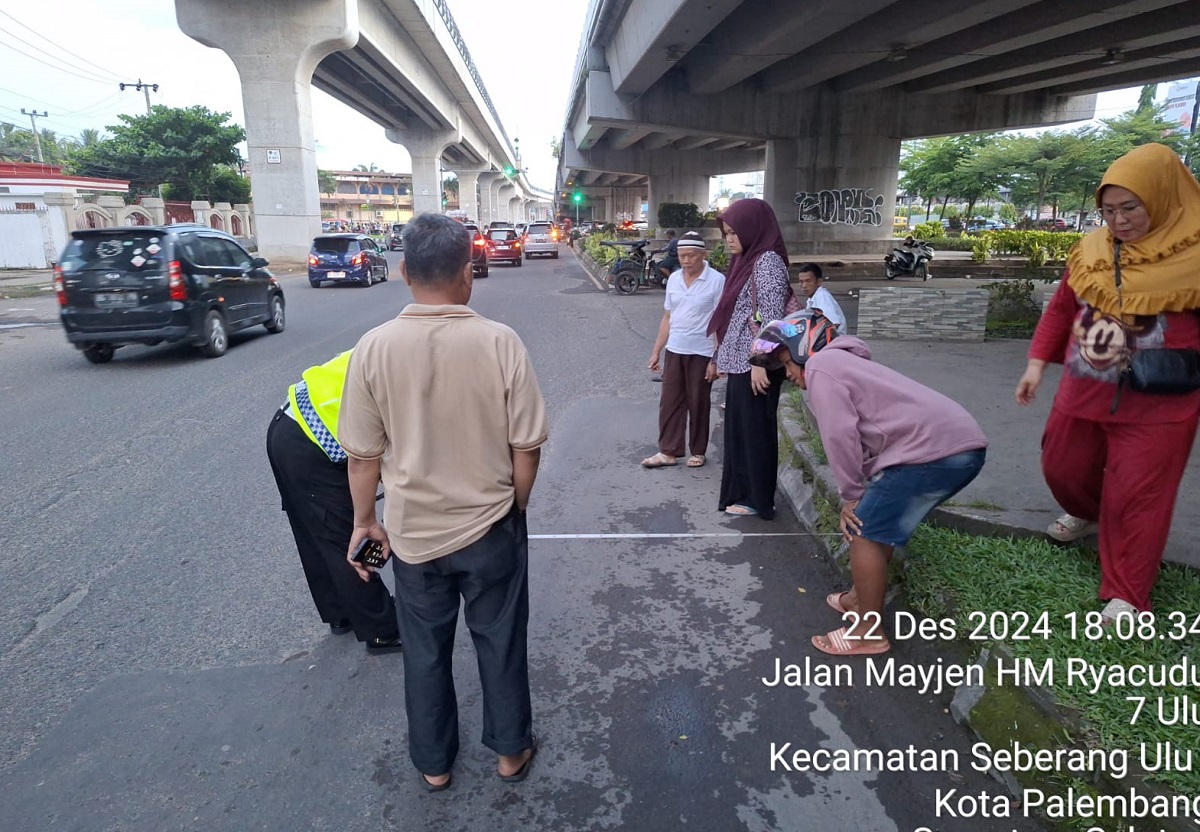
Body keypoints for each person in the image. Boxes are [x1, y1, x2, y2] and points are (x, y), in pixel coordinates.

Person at [338, 213, 548, 792]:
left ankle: (434, 765)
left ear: (404, 271)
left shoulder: (372, 348)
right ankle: (510, 752)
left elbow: (362, 457)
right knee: (500, 641)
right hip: (490, 529)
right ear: (468, 271)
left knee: (425, 652)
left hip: (412, 538)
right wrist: (515, 508)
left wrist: (365, 522)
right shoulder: (500, 342)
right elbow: (526, 448)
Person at [1015, 142, 1200, 623]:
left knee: (1139, 494)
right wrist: (1037, 363)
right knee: (1063, 466)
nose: (1119, 220)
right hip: (1085, 387)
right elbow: (1062, 309)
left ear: (1161, 199)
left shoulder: (1196, 252)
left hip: (1159, 402)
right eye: (1109, 210)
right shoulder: (1091, 249)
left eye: (1130, 208)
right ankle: (1090, 512)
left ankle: (1126, 594)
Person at [750, 312, 987, 656]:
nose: (787, 375)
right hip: (954, 446)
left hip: (935, 452)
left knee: (865, 530)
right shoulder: (842, 363)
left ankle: (867, 632)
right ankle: (859, 600)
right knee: (878, 522)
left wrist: (851, 496)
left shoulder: (822, 369)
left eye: (786, 363)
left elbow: (839, 436)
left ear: (804, 348)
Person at [265, 350, 402, 655]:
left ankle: (340, 613)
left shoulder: (385, 346)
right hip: (313, 444)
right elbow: (369, 459)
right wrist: (369, 518)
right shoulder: (409, 376)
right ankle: (382, 629)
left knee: (315, 533)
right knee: (344, 536)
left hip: (286, 427)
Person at [706, 198, 797, 519]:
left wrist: (759, 365)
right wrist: (718, 357)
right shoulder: (746, 260)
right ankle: (743, 493)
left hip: (757, 365)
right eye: (726, 233)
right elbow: (736, 314)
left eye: (734, 232)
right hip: (742, 363)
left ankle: (757, 499)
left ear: (752, 228)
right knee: (741, 432)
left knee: (755, 432)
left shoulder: (767, 262)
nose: (729, 239)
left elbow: (773, 319)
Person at [642, 231, 726, 470]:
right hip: (675, 349)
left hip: (702, 351)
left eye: (691, 255)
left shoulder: (716, 280)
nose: (686, 261)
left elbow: (720, 322)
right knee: (669, 401)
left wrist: (716, 359)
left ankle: (698, 450)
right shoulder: (675, 279)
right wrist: (656, 351)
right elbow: (668, 317)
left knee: (698, 401)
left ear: (703, 255)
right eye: (681, 256)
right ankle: (668, 451)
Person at [796, 262, 846, 335]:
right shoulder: (812, 298)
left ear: (819, 281)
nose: (804, 286)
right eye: (801, 282)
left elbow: (834, 324)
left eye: (808, 281)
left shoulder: (823, 297)